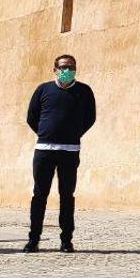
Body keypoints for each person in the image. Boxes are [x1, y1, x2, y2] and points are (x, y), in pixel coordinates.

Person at [23, 55, 97, 253]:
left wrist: (74, 134)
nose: (67, 70)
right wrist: (45, 133)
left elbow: (90, 117)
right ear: (55, 69)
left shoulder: (84, 91)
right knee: (39, 195)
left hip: (70, 151)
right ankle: (33, 239)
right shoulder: (43, 90)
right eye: (63, 67)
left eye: (71, 67)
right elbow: (32, 116)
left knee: (67, 195)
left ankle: (66, 240)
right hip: (44, 150)